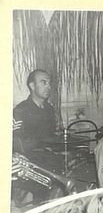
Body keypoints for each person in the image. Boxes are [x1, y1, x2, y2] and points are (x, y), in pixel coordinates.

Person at [12, 69, 65, 205]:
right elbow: (20, 145)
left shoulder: (49, 109)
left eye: (49, 83)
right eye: (43, 82)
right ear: (32, 85)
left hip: (49, 159)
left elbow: (53, 135)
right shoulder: (20, 110)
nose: (48, 87)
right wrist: (47, 141)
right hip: (31, 164)